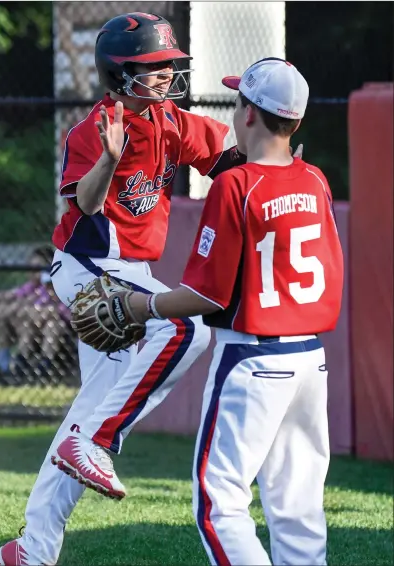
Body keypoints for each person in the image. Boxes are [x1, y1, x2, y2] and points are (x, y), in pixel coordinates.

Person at [53, 58, 344, 565]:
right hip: (312, 362)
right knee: (297, 509)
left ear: (248, 115)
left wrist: (139, 305)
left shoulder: (236, 186)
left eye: (238, 101)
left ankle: (99, 438)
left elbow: (206, 296)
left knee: (221, 506)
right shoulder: (315, 179)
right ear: (295, 123)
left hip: (253, 360)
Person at [0, 12, 249, 566]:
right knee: (186, 328)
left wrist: (272, 171)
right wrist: (109, 159)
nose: (165, 73)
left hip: (128, 269)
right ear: (120, 72)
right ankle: (99, 441)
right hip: (89, 265)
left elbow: (228, 161)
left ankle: (32, 548)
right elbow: (83, 205)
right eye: (153, 66)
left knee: (88, 410)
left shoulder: (167, 119)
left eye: (168, 65)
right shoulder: (93, 130)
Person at [0, 245, 58, 382]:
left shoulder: (51, 286)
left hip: (43, 327)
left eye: (36, 268)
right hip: (24, 324)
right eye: (29, 267)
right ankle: (3, 365)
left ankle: (28, 368)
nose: (31, 272)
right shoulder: (30, 286)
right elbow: (6, 295)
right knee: (4, 308)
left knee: (18, 308)